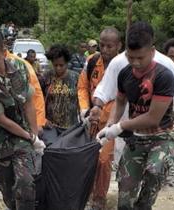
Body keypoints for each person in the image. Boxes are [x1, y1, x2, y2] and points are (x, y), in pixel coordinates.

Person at [96, 21, 174, 209]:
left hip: (161, 137)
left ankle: (144, 205)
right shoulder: (125, 74)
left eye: (140, 58)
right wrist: (109, 126)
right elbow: (120, 102)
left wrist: (120, 126)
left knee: (155, 171)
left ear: (152, 51)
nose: (135, 63)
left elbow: (152, 118)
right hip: (136, 140)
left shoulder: (164, 76)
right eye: (131, 57)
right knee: (125, 195)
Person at [0, 30, 45, 210]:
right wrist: (30, 137)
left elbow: (28, 103)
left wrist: (35, 135)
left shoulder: (20, 68)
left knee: (26, 184)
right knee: (9, 196)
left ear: (4, 52)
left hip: (22, 138)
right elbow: (1, 119)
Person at [77, 27, 122, 209]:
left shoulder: (124, 65)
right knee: (88, 159)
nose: (104, 49)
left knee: (104, 161)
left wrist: (110, 119)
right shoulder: (92, 61)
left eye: (109, 46)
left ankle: (99, 199)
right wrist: (84, 109)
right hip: (91, 119)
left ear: (118, 46)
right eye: (102, 45)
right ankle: (85, 194)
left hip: (112, 122)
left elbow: (122, 98)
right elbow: (82, 87)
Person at [41, 44, 80, 129]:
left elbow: (81, 101)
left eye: (61, 65)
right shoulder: (46, 77)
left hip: (71, 127)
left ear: (67, 63)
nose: (58, 68)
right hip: (50, 127)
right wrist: (42, 120)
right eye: (55, 65)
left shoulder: (76, 78)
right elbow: (39, 100)